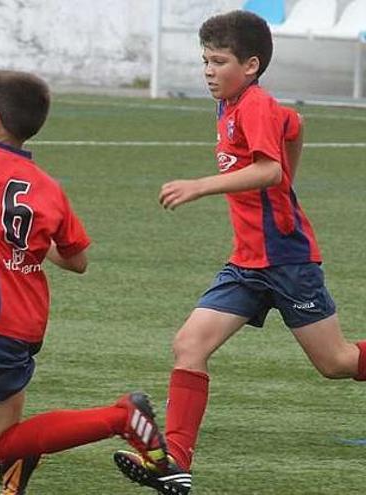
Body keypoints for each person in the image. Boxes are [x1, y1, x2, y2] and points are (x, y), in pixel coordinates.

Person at [113, 11, 366, 495]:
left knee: (335, 362)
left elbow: (270, 170)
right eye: (205, 60)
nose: (208, 70)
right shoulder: (229, 103)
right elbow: (296, 124)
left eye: (219, 61)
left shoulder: (253, 105)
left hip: (287, 259)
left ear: (250, 65)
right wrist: (285, 174)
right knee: (190, 344)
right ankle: (175, 461)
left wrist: (203, 185)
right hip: (247, 261)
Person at [0, 68, 170, 495]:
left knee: (3, 440)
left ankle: (123, 417)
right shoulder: (48, 186)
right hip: (20, 314)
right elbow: (77, 260)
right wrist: (30, 246)